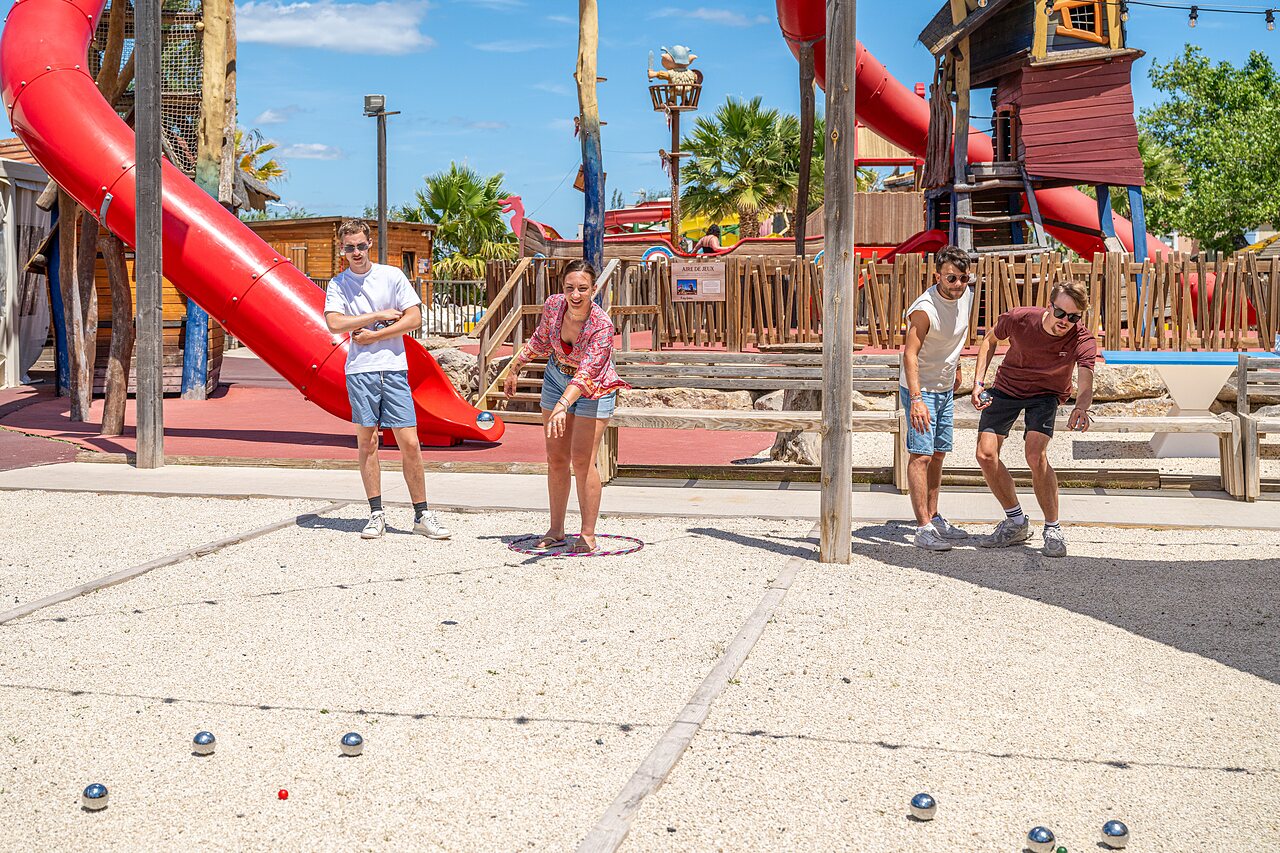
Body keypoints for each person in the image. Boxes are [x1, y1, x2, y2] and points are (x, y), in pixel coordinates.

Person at [323, 219, 450, 541]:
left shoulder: (391, 276)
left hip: (393, 368)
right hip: (360, 371)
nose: (356, 252)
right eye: (349, 247)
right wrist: (377, 316)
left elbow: (414, 317)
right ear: (342, 249)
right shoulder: (338, 284)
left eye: (361, 245)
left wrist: (376, 335)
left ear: (369, 244)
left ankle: (422, 514)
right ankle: (376, 513)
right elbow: (335, 323)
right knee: (368, 443)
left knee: (410, 442)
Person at [503, 260, 629, 553]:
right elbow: (540, 339)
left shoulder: (602, 326)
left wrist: (563, 405)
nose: (575, 294)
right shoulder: (553, 306)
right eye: (570, 288)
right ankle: (556, 529)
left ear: (594, 290)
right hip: (557, 376)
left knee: (583, 459)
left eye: (582, 289)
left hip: (594, 387)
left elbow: (587, 373)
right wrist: (515, 366)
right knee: (556, 457)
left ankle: (587, 533)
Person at [971, 281, 1097, 557]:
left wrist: (1082, 407)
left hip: (1046, 394)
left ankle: (1052, 527)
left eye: (1074, 317)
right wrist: (979, 381)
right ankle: (1016, 521)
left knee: (1034, 454)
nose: (1066, 321)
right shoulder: (1020, 318)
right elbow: (991, 339)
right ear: (1050, 306)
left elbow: (1086, 378)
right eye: (1061, 313)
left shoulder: (1082, 339)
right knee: (985, 454)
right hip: (1007, 387)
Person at [901, 245, 975, 551]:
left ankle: (933, 515)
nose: (957, 284)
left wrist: (956, 367)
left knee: (939, 453)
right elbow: (909, 354)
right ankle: (923, 528)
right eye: (950, 279)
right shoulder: (924, 309)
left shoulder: (966, 295)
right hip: (922, 388)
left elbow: (955, 337)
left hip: (945, 386)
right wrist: (916, 398)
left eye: (962, 278)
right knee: (921, 454)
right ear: (937, 276)